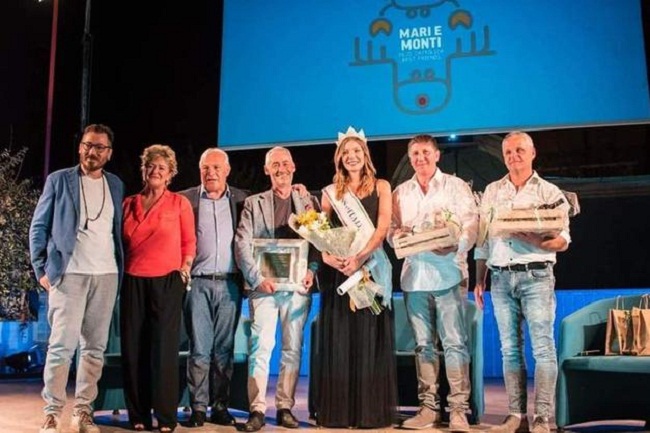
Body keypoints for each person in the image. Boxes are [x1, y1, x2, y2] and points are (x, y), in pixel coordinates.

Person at [29, 124, 124, 433]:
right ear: (80, 147)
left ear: (109, 153)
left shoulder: (115, 184)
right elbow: (38, 226)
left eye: (98, 147)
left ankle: (83, 411)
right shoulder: (59, 180)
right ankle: (52, 413)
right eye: (86, 145)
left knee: (94, 349)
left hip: (106, 274)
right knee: (61, 347)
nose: (91, 151)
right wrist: (41, 269)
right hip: (68, 274)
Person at [474, 131, 571, 433]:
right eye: (508, 152)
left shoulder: (549, 192)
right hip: (501, 278)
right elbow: (483, 239)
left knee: (543, 348)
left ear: (532, 153)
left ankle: (542, 417)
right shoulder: (492, 191)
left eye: (519, 150)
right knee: (510, 350)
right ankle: (516, 415)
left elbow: (563, 240)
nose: (513, 156)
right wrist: (479, 279)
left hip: (536, 276)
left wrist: (536, 241)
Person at [388, 134, 478, 432]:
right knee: (423, 346)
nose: (420, 158)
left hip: (450, 273)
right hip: (414, 277)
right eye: (415, 154)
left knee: (454, 343)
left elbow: (471, 224)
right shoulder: (401, 192)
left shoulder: (456, 186)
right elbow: (391, 230)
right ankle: (428, 409)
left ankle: (458, 411)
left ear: (437, 155)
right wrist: (396, 236)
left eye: (426, 152)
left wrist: (456, 244)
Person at [316, 126, 397, 428]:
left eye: (356, 151)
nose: (351, 156)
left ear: (366, 155)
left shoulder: (382, 186)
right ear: (339, 158)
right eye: (346, 153)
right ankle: (340, 413)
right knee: (342, 338)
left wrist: (360, 258)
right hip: (341, 274)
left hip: (370, 270)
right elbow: (321, 233)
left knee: (369, 336)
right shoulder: (330, 193)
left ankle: (368, 413)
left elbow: (383, 227)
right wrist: (329, 257)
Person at [234, 146, 319, 432]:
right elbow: (242, 243)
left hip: (297, 288)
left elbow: (319, 241)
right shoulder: (253, 203)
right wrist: (257, 278)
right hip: (264, 287)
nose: (281, 169)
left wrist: (312, 270)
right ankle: (257, 409)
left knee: (292, 348)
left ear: (294, 167)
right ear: (266, 170)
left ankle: (285, 407)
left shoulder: (308, 201)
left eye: (285, 163)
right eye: (275, 165)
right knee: (261, 347)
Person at [121, 144, 196, 433]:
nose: (155, 171)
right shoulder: (128, 203)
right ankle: (138, 415)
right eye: (150, 166)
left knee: (163, 351)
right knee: (134, 349)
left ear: (170, 174)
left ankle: (166, 417)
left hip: (167, 281)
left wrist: (185, 268)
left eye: (161, 168)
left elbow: (189, 242)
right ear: (143, 170)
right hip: (132, 280)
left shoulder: (179, 204)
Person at [179, 148, 248, 427]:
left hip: (230, 284)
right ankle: (197, 408)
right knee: (199, 350)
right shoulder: (186, 199)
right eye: (205, 168)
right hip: (197, 284)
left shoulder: (243, 200)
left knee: (224, 351)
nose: (211, 173)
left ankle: (220, 406)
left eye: (217, 168)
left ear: (227, 171)